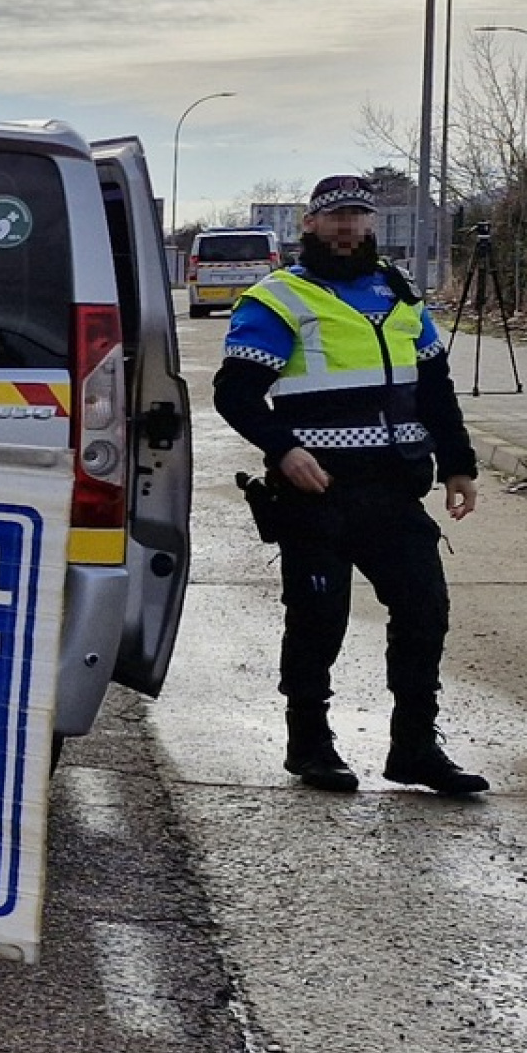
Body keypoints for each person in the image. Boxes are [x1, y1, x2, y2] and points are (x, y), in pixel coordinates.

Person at [211, 174, 492, 796]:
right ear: (309, 225)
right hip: (318, 496)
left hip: (394, 491)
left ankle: (415, 748)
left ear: (371, 224)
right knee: (318, 621)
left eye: (359, 216)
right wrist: (283, 451)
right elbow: (234, 392)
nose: (347, 228)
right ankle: (309, 745)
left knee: (425, 610)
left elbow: (435, 389)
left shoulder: (398, 293)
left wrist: (459, 465)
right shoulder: (278, 298)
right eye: (334, 217)